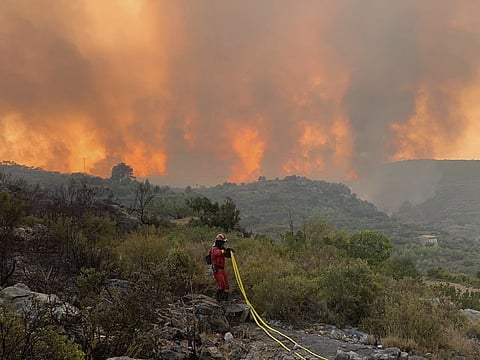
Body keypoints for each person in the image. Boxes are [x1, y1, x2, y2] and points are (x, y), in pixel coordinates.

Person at [210, 233, 234, 302]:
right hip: (217, 269)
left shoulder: (222, 249)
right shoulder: (214, 249)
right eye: (222, 242)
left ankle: (225, 300)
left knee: (226, 285)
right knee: (222, 285)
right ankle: (218, 300)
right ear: (219, 242)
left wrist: (229, 253)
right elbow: (219, 253)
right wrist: (225, 251)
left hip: (222, 269)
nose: (223, 244)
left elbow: (225, 254)